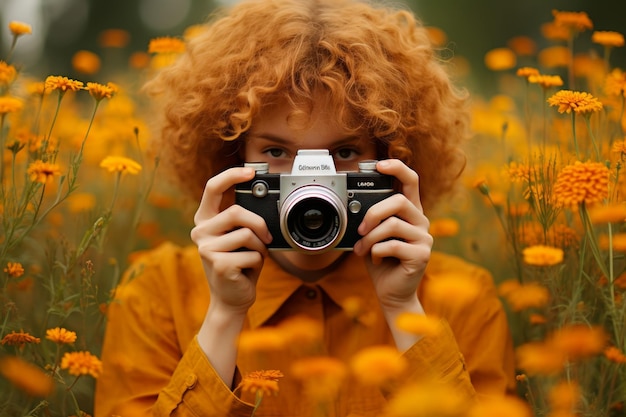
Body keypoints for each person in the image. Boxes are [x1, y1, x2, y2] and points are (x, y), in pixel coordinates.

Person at [94, 0, 516, 416]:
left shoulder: (462, 299)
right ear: (231, 158)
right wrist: (224, 315)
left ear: (391, 161)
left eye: (346, 152)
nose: (311, 185)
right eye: (277, 151)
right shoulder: (157, 292)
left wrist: (404, 311)